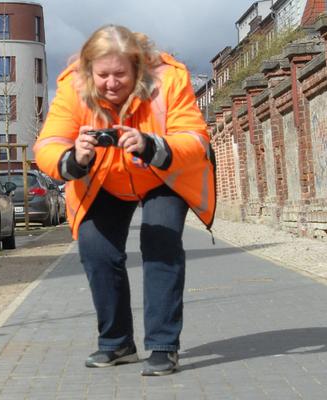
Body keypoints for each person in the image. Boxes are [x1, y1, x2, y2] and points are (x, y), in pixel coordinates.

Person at [33, 25, 216, 376]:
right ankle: (117, 343)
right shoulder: (72, 87)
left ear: (138, 69)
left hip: (162, 173)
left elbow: (195, 139)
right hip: (104, 177)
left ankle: (163, 345)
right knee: (95, 249)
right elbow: (47, 143)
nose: (111, 83)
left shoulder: (170, 80)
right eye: (102, 75)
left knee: (160, 240)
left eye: (120, 74)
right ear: (88, 71)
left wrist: (150, 144)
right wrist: (75, 157)